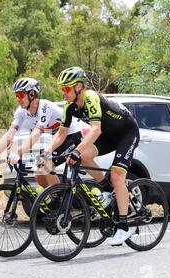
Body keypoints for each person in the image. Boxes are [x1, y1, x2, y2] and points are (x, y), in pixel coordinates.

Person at [44, 67, 140, 246]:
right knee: (85, 156)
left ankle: (124, 227)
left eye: (66, 88)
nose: (63, 92)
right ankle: (106, 188)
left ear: (79, 87)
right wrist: (47, 151)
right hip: (109, 135)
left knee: (117, 176)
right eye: (61, 89)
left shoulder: (90, 97)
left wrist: (76, 150)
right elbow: (61, 134)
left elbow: (96, 129)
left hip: (127, 133)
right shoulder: (70, 107)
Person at [0, 77, 87, 191]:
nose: (18, 99)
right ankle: (54, 201)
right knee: (39, 175)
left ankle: (63, 202)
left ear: (32, 94)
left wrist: (18, 153)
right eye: (16, 96)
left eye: (21, 95)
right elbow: (10, 134)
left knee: (46, 166)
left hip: (73, 136)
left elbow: (36, 134)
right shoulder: (21, 112)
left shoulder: (45, 107)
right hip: (59, 139)